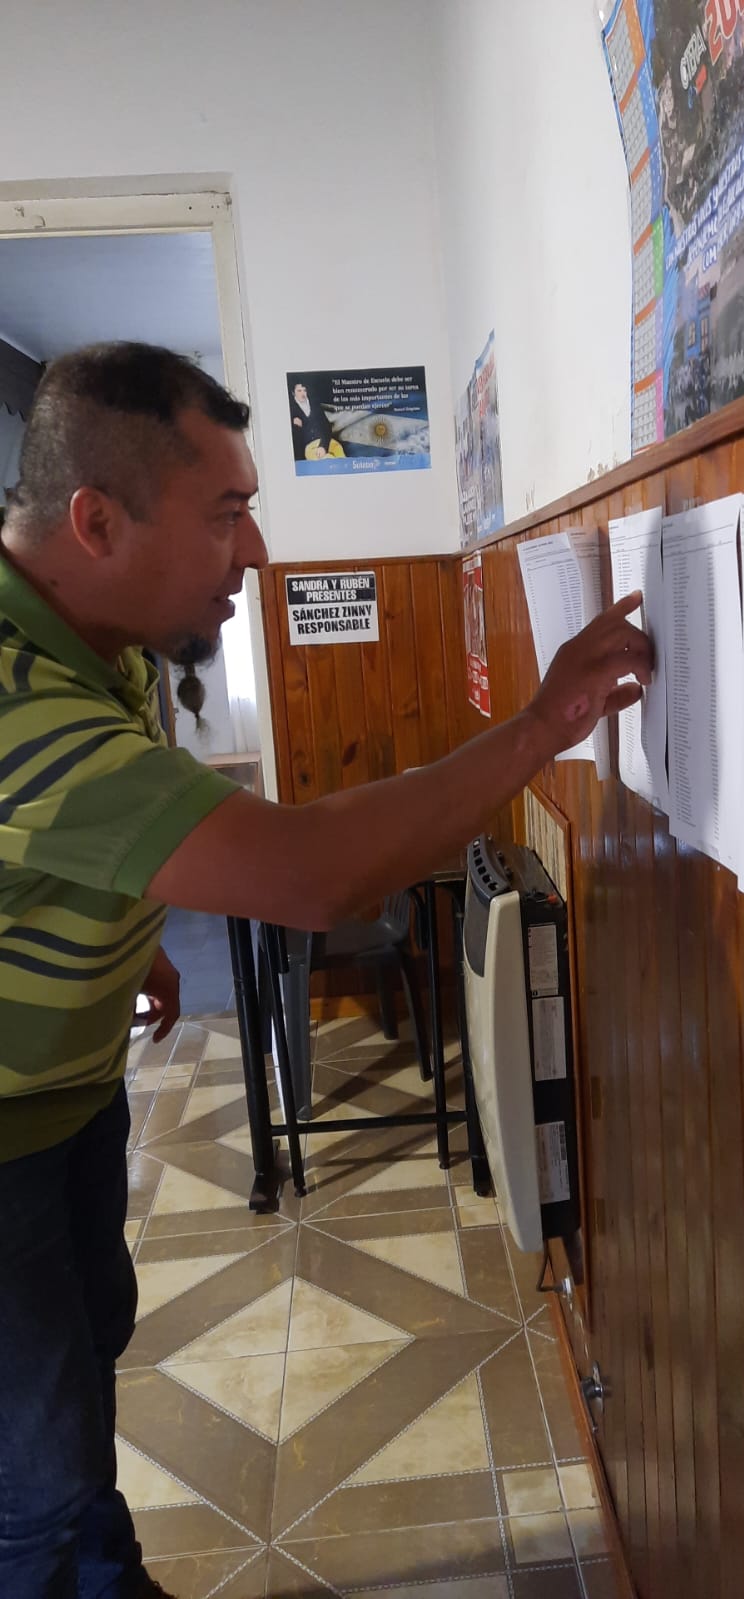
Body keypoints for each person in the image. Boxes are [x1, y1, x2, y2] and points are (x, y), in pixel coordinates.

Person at [0, 342, 651, 1599]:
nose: (253, 552)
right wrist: (541, 726)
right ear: (97, 522)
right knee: (34, 1484)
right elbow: (305, 876)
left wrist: (123, 937)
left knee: (74, 1381)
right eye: (225, 513)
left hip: (60, 1096)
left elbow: (70, 840)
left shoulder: (101, 637)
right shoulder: (16, 693)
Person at [288, 379, 345, 462]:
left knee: (339, 450)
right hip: (309, 448)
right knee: (328, 460)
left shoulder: (315, 405)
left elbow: (327, 426)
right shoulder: (290, 410)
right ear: (293, 393)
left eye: (304, 390)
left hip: (324, 441)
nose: (302, 393)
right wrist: (292, 424)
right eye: (299, 391)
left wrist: (323, 446)